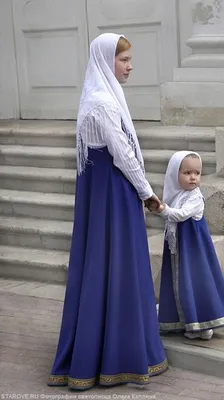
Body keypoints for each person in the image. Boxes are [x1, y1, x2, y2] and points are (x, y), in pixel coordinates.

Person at [47, 33, 168, 391]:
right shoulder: (102, 103)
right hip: (114, 198)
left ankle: (104, 353)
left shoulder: (99, 97)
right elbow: (123, 155)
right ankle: (121, 358)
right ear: (105, 61)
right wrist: (148, 194)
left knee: (104, 269)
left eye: (130, 60)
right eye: (124, 60)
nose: (130, 67)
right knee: (119, 269)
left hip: (104, 197)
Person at [154, 151, 224, 340]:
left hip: (192, 249)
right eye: (187, 173)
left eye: (197, 173)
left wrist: (161, 209)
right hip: (180, 249)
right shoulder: (178, 195)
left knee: (195, 281)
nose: (193, 177)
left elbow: (180, 215)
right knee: (180, 282)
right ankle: (184, 320)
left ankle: (202, 323)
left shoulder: (195, 197)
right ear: (175, 174)